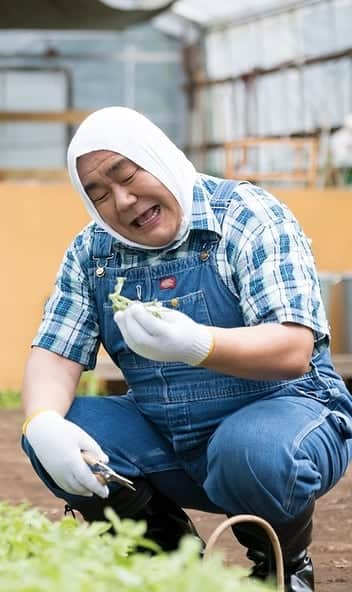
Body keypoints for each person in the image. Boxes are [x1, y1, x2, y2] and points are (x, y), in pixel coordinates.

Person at [20, 107, 352, 592]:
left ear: (157, 154)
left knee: (252, 450)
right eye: (100, 194)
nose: (123, 200)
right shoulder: (93, 252)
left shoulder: (246, 215)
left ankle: (282, 565)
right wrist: (41, 422)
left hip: (286, 416)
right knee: (58, 430)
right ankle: (169, 564)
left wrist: (199, 344)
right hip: (168, 431)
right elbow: (55, 352)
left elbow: (293, 347)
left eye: (127, 174)